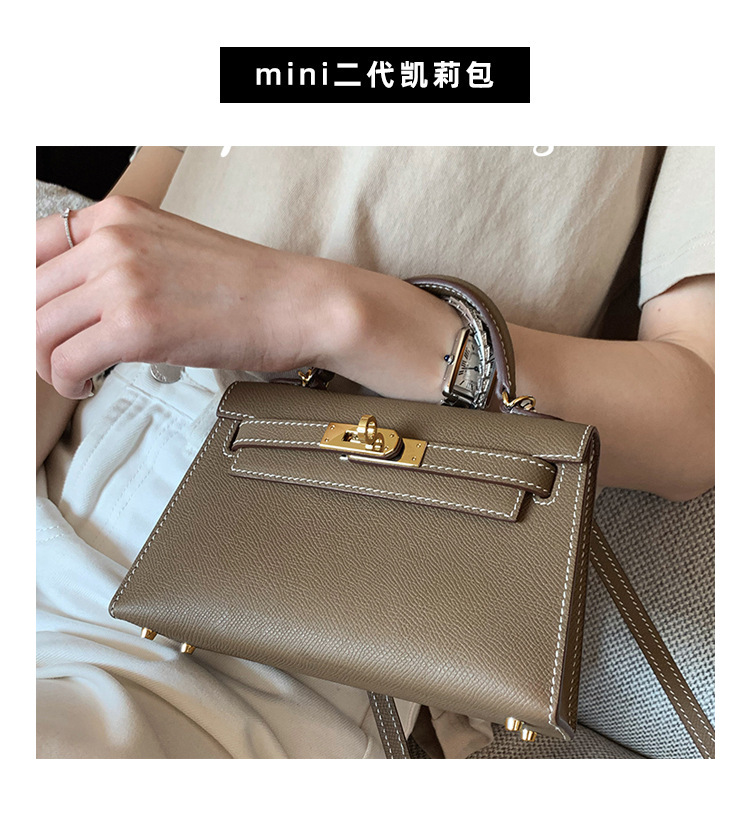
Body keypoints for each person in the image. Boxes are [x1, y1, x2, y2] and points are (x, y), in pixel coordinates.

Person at [36, 146, 714, 759]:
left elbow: (700, 415)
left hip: (313, 603)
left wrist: (324, 311)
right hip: (57, 504)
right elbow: (104, 262)